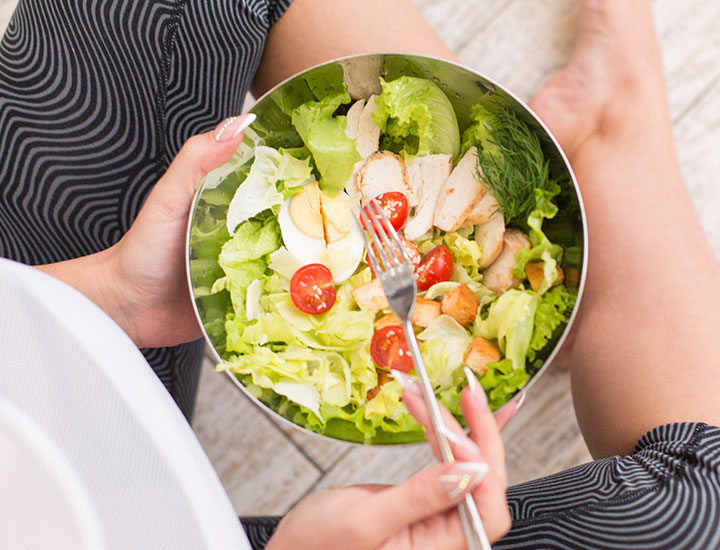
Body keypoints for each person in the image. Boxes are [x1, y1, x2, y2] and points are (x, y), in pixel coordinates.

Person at [2, 0, 720, 548]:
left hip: (38, 386)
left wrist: (110, 298)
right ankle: (614, 123)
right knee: (707, 497)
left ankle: (548, 202)